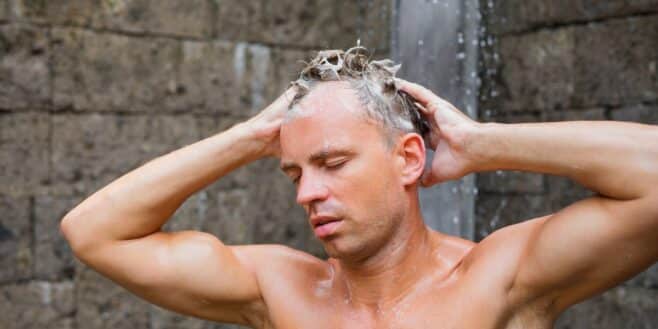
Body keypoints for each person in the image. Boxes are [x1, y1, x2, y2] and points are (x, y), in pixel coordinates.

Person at [60, 47, 658, 328]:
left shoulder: (499, 280)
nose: (306, 194)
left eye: (332, 162)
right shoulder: (280, 292)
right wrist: (250, 136)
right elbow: (92, 233)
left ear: (408, 159)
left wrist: (484, 145)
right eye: (295, 172)